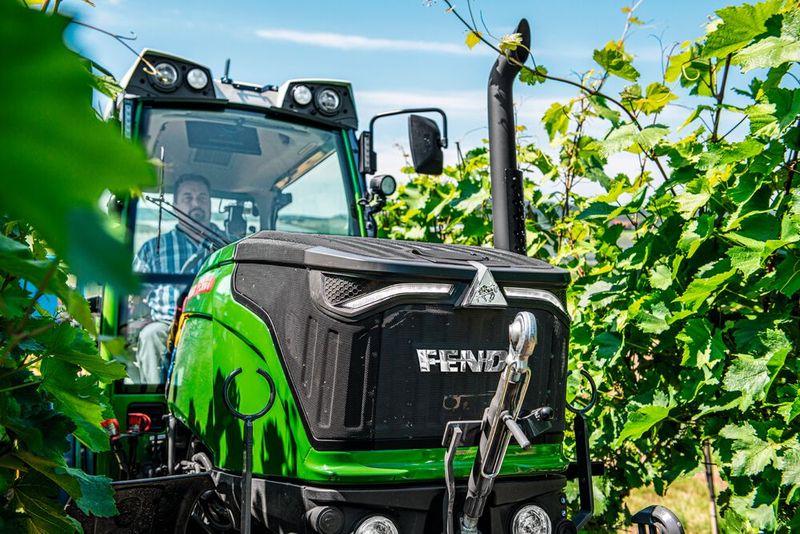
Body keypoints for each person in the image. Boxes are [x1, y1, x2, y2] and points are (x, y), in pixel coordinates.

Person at [132, 173, 216, 383]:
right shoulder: (153, 249)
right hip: (168, 326)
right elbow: (132, 296)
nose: (196, 203)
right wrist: (133, 320)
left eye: (202, 198)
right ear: (175, 205)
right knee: (151, 335)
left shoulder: (231, 247)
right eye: (188, 198)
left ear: (210, 204)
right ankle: (158, 407)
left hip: (218, 326)